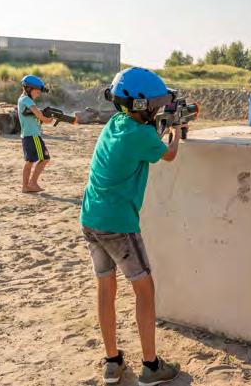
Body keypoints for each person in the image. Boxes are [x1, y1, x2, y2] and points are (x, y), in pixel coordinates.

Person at [80, 67, 181, 385]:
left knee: (106, 287)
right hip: (118, 224)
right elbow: (168, 154)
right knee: (145, 290)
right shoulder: (142, 135)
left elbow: (141, 141)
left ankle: (112, 363)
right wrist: (176, 128)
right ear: (141, 106)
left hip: (91, 217)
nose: (159, 108)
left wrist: (160, 125)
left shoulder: (116, 123)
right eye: (156, 104)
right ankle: (151, 368)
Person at [17, 75, 53, 193]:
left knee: (30, 161)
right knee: (45, 158)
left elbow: (32, 115)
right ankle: (32, 183)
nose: (38, 94)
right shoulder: (27, 100)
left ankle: (25, 186)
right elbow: (37, 113)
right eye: (37, 91)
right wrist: (46, 119)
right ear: (29, 89)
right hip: (33, 136)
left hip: (27, 136)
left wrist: (41, 118)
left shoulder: (22, 100)